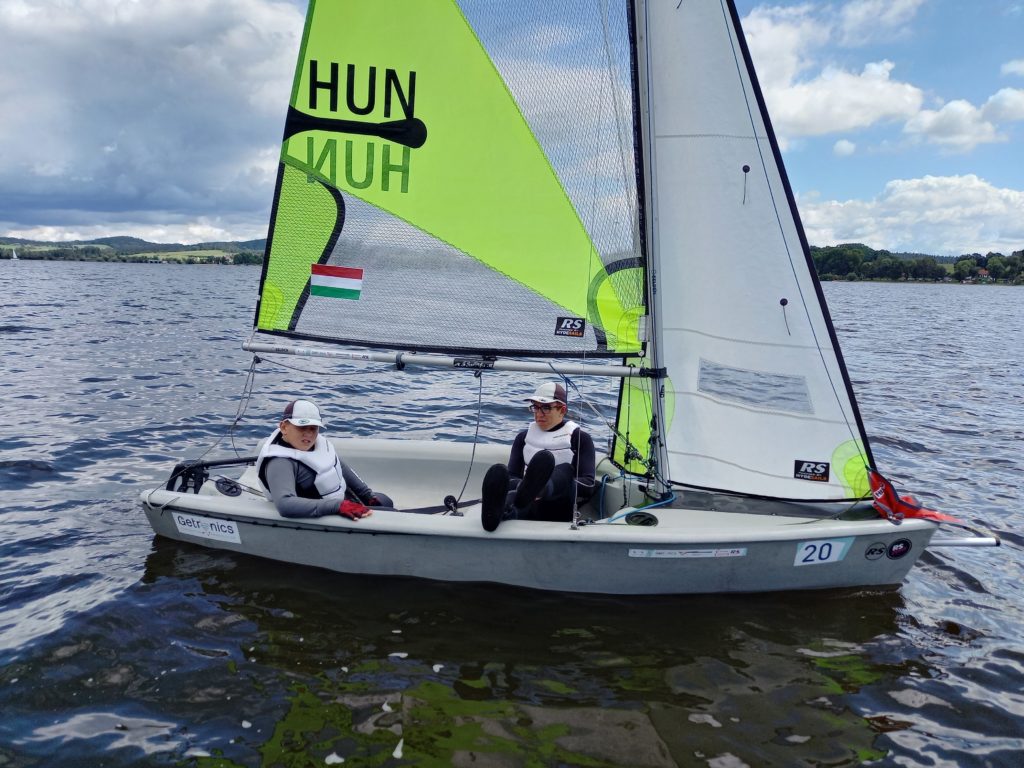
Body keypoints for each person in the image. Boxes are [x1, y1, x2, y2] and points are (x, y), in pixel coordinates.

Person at [481, 381, 595, 532]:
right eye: (535, 407)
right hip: (527, 505)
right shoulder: (523, 438)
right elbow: (512, 475)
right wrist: (522, 487)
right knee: (515, 494)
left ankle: (540, 489)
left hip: (558, 507)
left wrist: (550, 487)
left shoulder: (579, 438)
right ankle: (495, 515)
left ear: (562, 410)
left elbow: (588, 485)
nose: (539, 414)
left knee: (565, 470)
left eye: (546, 408)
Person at [256, 399, 392, 520]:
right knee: (391, 515)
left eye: (313, 428)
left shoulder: (317, 443)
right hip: (328, 513)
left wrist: (367, 495)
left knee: (386, 501)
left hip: (342, 500)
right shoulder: (279, 462)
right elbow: (285, 505)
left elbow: (338, 465)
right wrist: (338, 506)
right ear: (284, 427)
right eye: (302, 427)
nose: (308, 434)